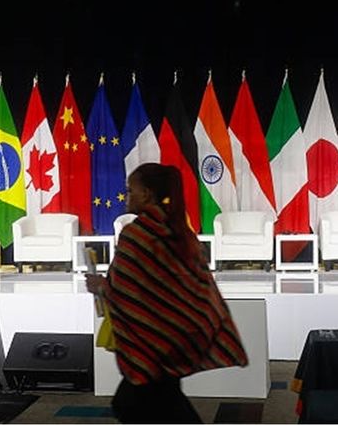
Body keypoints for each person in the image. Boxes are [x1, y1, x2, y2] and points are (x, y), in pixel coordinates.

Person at [86, 163, 248, 423]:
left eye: (131, 190)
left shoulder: (136, 234)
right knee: (159, 402)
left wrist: (100, 286)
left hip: (148, 342)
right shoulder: (181, 232)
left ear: (146, 194)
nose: (126, 196)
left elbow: (126, 288)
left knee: (134, 404)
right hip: (176, 337)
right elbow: (189, 287)